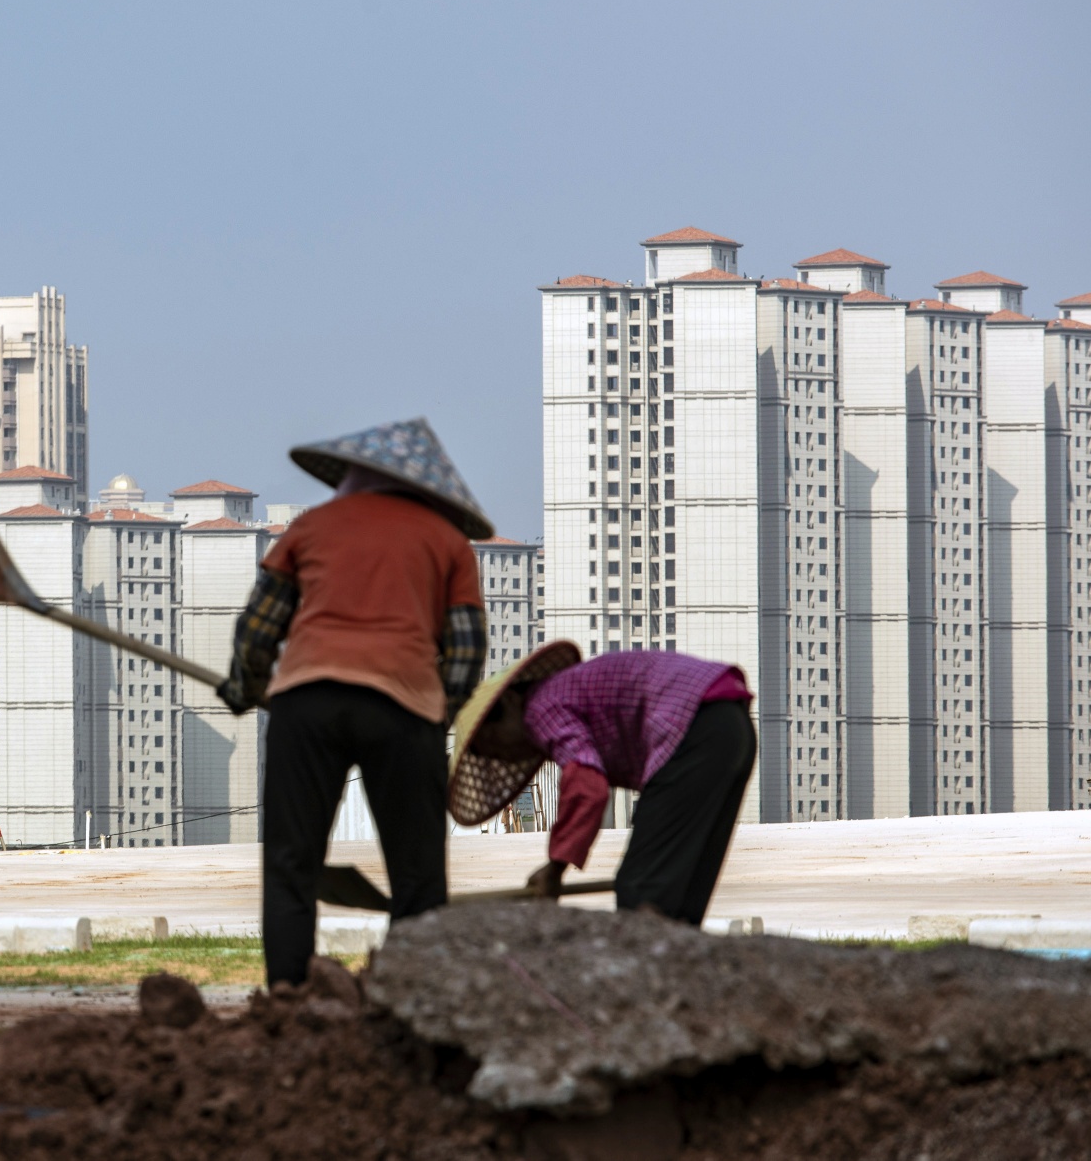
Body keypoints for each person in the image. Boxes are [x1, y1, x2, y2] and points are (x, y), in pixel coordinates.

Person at [216, 416, 492, 990]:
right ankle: (414, 995)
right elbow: (466, 650)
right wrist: (436, 710)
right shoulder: (446, 541)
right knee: (418, 874)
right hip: (402, 706)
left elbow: (259, 628)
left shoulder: (312, 526)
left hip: (307, 701)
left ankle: (288, 994)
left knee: (291, 865)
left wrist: (245, 686)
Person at [448, 641, 757, 923]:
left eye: (494, 742)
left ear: (513, 702)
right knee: (683, 888)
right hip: (732, 726)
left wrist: (555, 867)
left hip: (693, 726)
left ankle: (646, 973)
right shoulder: (565, 693)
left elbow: (587, 787)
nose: (503, 756)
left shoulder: (539, 707)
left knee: (640, 891)